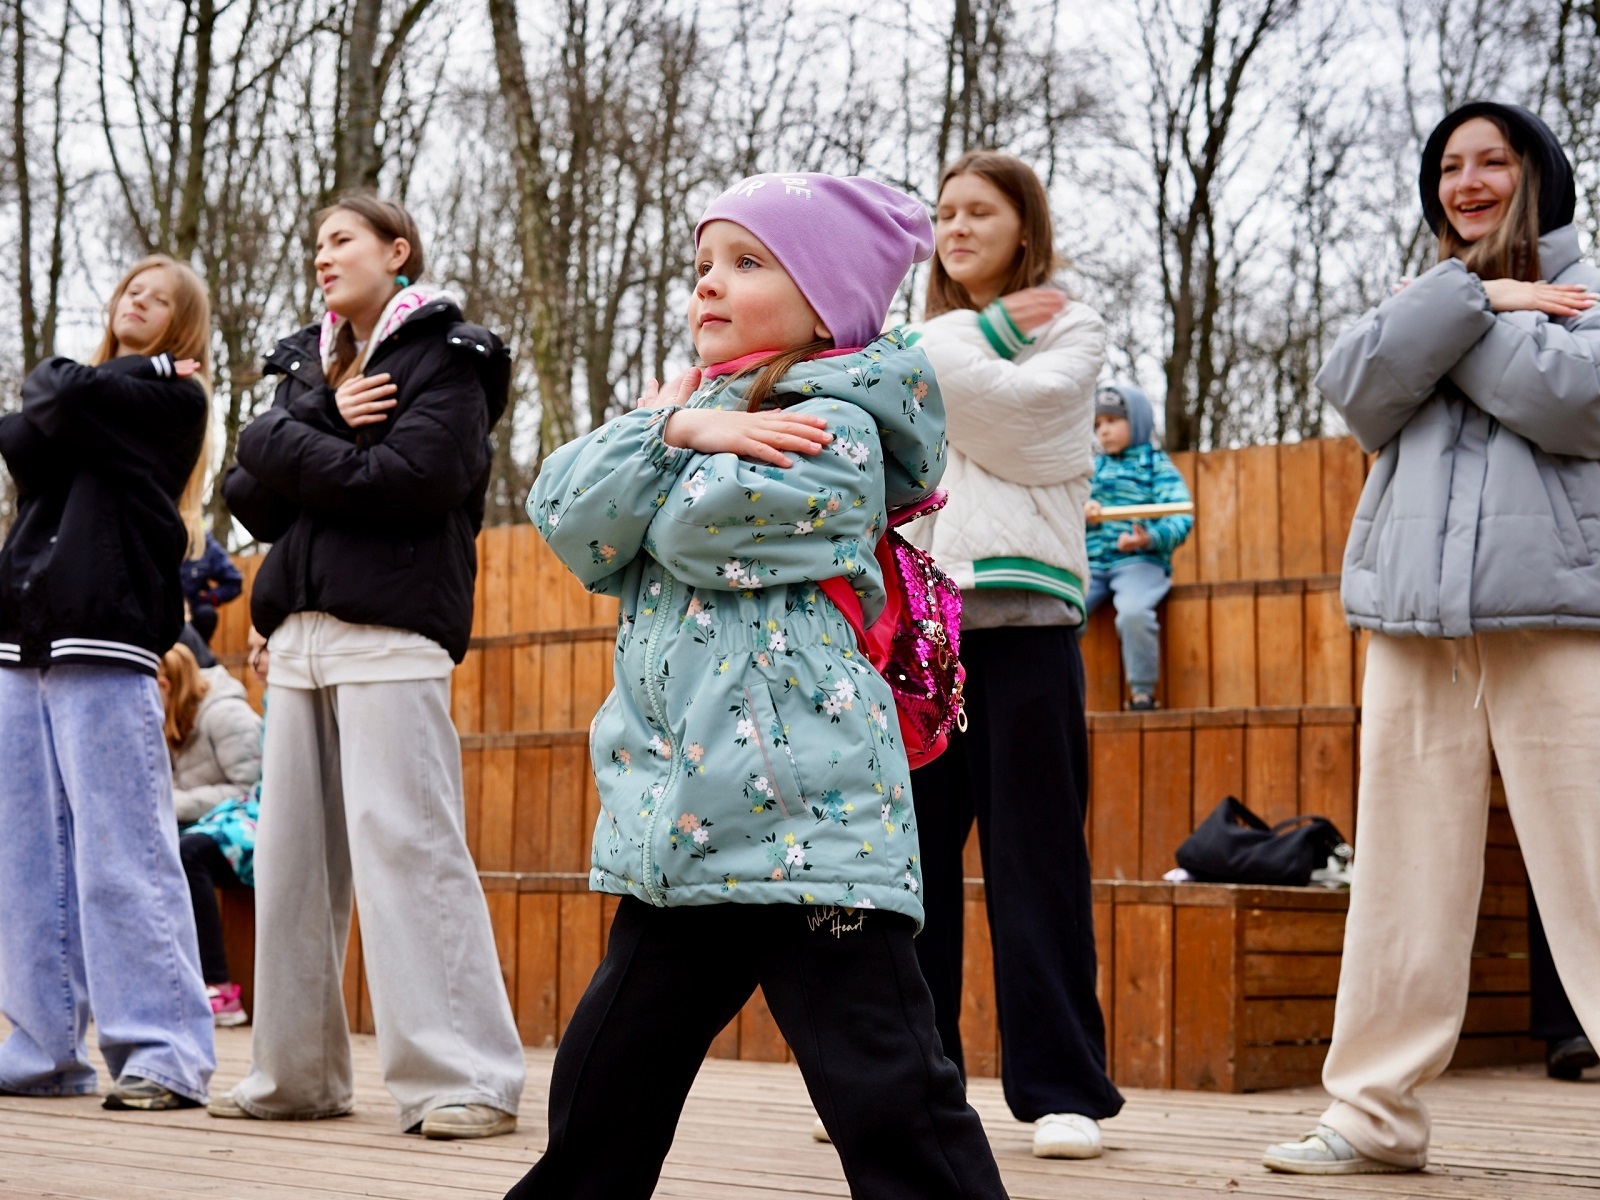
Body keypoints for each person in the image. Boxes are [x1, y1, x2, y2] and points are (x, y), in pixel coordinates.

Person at [508, 172, 1009, 1200]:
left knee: (889, 1094)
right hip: (685, 824)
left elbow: (694, 532)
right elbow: (563, 513)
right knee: (604, 1090)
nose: (708, 286)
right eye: (701, 266)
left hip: (812, 824)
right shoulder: (688, 414)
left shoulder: (843, 423)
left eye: (746, 263)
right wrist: (678, 433)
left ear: (827, 299)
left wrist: (662, 456)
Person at [1263, 101, 1600, 1175]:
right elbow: (1357, 392)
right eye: (1449, 166)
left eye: (1491, 161)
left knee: (1594, 870)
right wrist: (1472, 297)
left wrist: (1455, 316)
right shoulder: (1437, 292)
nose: (1467, 182)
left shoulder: (1575, 290)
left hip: (1555, 613)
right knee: (1403, 878)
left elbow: (1569, 399)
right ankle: (1371, 1119)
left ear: (1536, 172)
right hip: (1413, 621)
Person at [215, 193, 524, 1139]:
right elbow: (247, 496)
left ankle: (463, 1077)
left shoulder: (450, 356)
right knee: (290, 864)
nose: (322, 254)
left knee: (409, 848)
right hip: (297, 642)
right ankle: (296, 1075)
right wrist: (322, 416)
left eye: (341, 239)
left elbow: (413, 482)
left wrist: (290, 437)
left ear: (398, 251)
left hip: (391, 632)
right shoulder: (311, 366)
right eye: (314, 243)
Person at [903, 149, 1124, 1159]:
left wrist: (948, 355)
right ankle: (912, 1078)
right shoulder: (954, 331)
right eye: (943, 212)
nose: (953, 227)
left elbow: (1030, 424)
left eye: (977, 212)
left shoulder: (1072, 324)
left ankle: (1063, 1089)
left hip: (1029, 627)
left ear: (1022, 227)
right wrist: (979, 340)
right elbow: (939, 407)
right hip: (923, 629)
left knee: (1037, 864)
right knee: (911, 872)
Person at [0, 254, 216, 1111]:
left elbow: (59, 395)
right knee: (26, 862)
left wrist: (132, 375)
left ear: (181, 328)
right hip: (21, 641)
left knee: (123, 854)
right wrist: (85, 386)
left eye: (158, 299)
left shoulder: (174, 399)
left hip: (109, 637)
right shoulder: (96, 396)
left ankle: (163, 1052)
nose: (138, 299)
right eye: (130, 288)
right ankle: (40, 1051)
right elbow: (23, 421)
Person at [157, 640, 263, 1026]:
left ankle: (219, 986)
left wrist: (174, 803)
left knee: (189, 851)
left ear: (165, 685)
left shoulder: (226, 715)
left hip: (252, 832)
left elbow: (253, 786)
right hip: (206, 827)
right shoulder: (169, 720)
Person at [1083, 383, 1193, 710]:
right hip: (1093, 564)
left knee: (1132, 613)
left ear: (1138, 421)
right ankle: (1057, 695)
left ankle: (1142, 694)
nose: (1104, 431)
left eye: (1112, 421)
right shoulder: (1093, 469)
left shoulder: (1154, 465)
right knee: (1064, 614)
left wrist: (1149, 538)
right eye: (1098, 425)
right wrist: (1083, 508)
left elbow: (1181, 514)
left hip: (1139, 563)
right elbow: (1067, 506)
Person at [180, 530, 243, 645]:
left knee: (206, 613)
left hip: (193, 610)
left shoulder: (205, 545)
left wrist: (207, 598)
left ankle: (201, 659)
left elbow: (233, 582)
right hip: (162, 610)